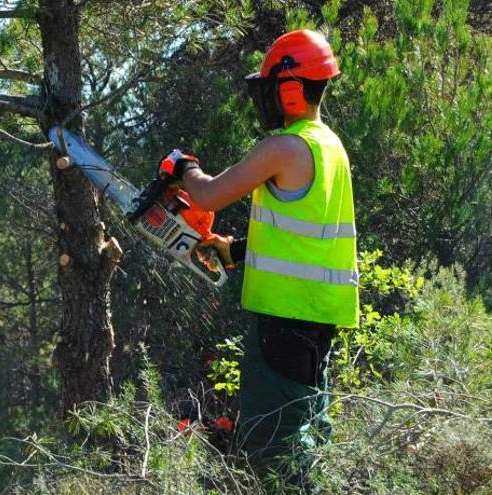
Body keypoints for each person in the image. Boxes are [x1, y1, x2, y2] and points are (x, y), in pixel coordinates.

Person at [157, 30, 360, 478]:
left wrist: (182, 168)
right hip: (318, 317)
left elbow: (207, 196)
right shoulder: (330, 146)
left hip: (284, 321)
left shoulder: (284, 148)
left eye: (270, 87)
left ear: (289, 90)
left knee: (274, 449)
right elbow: (311, 236)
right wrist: (238, 250)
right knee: (307, 431)